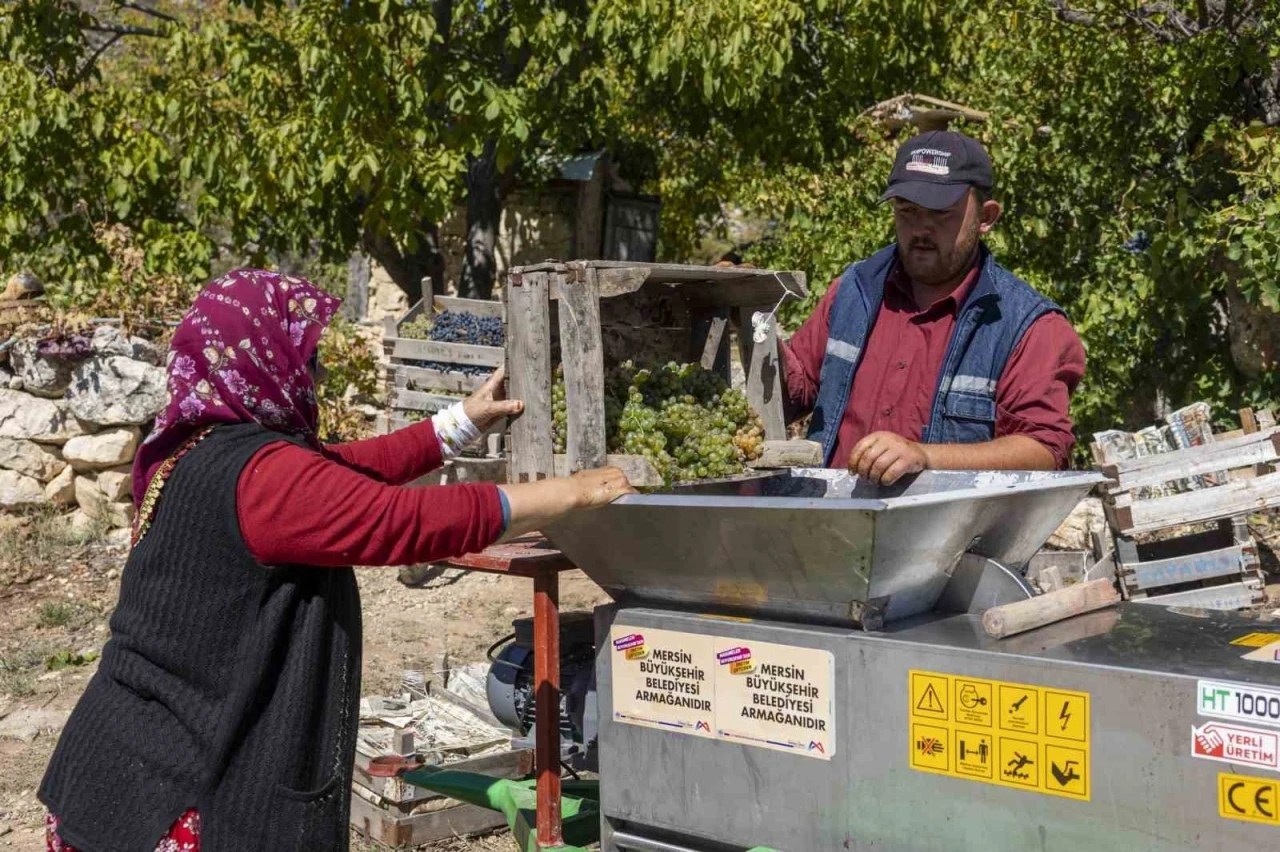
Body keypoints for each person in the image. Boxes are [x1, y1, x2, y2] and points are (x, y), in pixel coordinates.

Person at [38, 269, 634, 852]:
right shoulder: (261, 477)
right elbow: (398, 522)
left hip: (119, 767)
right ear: (263, 361)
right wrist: (571, 494)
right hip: (171, 795)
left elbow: (338, 472)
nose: (316, 373)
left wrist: (462, 423)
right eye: (306, 357)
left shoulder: (195, 448)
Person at [781, 130, 1086, 485]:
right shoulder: (854, 290)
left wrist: (925, 456)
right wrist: (743, 316)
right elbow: (797, 386)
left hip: (947, 535)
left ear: (986, 217)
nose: (921, 229)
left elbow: (1044, 449)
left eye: (941, 213)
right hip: (830, 527)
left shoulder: (1028, 326)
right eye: (907, 210)